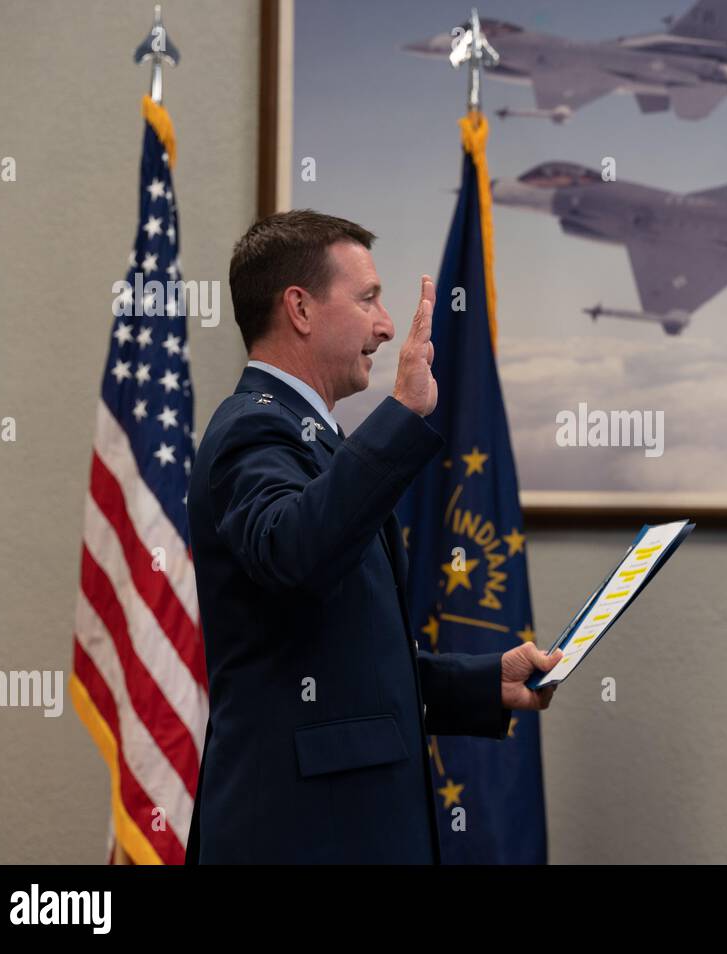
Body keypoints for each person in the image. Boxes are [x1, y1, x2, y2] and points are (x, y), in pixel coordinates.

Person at [185, 210, 559, 863]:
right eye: (367, 300)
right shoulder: (254, 430)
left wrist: (481, 682)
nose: (386, 325)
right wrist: (402, 416)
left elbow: (346, 663)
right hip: (304, 838)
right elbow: (296, 554)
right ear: (299, 309)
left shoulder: (316, 439)